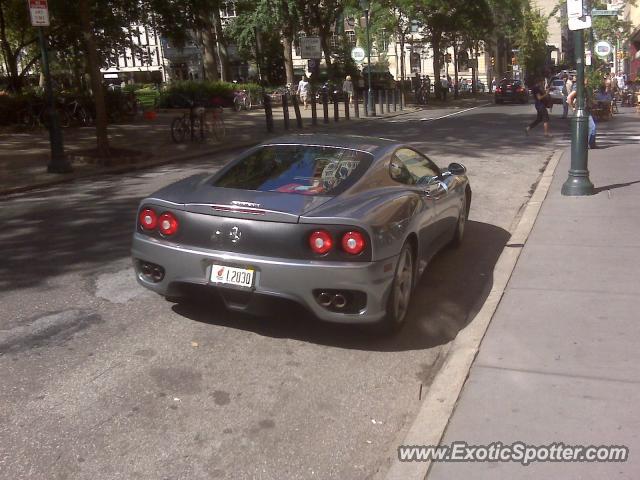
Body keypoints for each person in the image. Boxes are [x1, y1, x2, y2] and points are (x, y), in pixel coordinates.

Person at [567, 80, 597, 149]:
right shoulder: (578, 88)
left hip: (586, 111)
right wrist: (573, 109)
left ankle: (588, 144)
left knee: (589, 128)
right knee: (592, 128)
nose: (588, 81)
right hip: (582, 111)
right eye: (586, 80)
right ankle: (587, 145)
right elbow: (569, 98)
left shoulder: (585, 88)